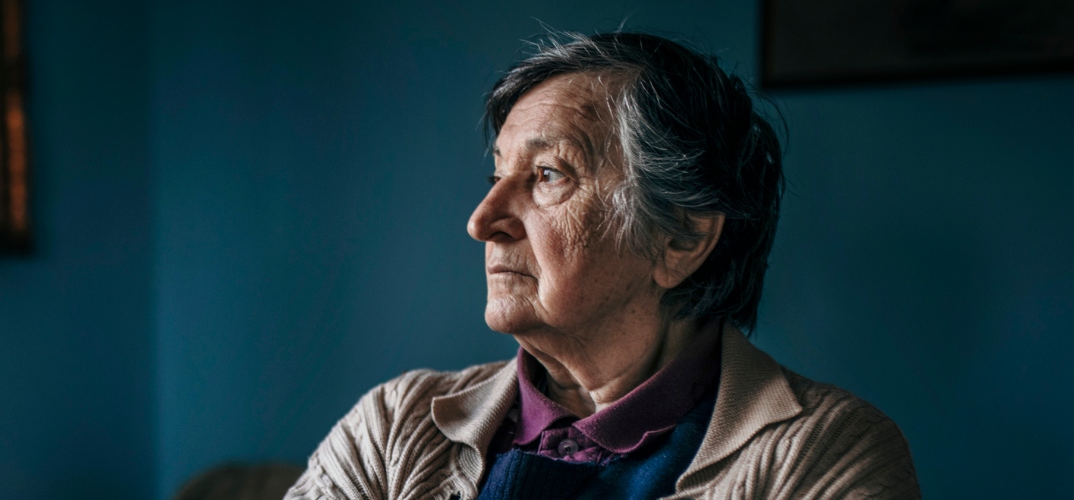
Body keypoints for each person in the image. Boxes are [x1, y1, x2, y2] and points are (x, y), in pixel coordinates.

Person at [285, 32, 920, 499]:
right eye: (497, 173)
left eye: (547, 175)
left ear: (682, 237)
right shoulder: (395, 425)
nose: (481, 221)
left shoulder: (821, 457)